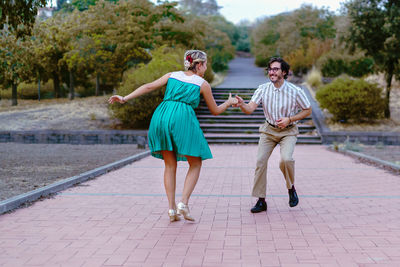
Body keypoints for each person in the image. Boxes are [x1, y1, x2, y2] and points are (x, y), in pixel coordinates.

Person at [109, 50, 238, 222]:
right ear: (198, 65)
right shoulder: (202, 83)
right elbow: (214, 111)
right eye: (205, 65)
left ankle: (171, 209)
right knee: (196, 162)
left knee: (170, 165)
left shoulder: (172, 75)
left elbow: (148, 86)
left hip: (161, 115)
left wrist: (124, 97)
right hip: (182, 117)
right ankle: (183, 203)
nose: (206, 69)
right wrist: (229, 102)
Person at [234, 57, 311, 213]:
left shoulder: (295, 91)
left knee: (286, 160)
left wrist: (290, 118)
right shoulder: (263, 89)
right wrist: (242, 104)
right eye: (270, 69)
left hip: (288, 131)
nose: (272, 72)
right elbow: (249, 109)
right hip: (268, 130)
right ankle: (261, 200)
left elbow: (307, 110)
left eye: (275, 69)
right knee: (260, 162)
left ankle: (291, 188)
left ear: (284, 72)